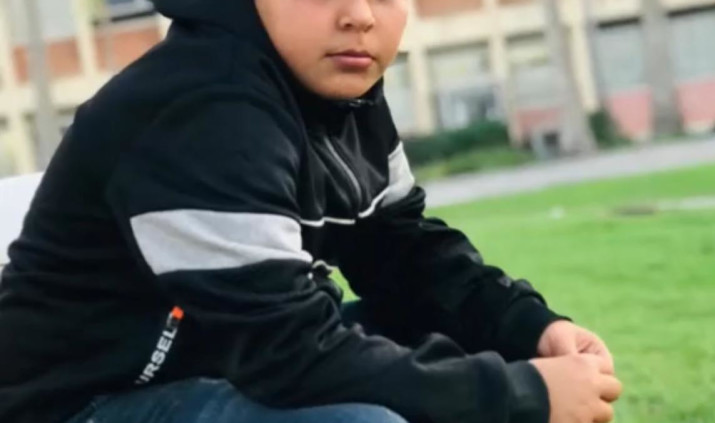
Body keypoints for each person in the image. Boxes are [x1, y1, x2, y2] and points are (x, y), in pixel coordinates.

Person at [0, 0, 622, 422]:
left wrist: (526, 328)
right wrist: (522, 395)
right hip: (83, 403)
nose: (359, 15)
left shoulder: (335, 90)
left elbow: (403, 253)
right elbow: (287, 354)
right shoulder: (203, 110)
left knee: (486, 347)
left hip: (222, 362)